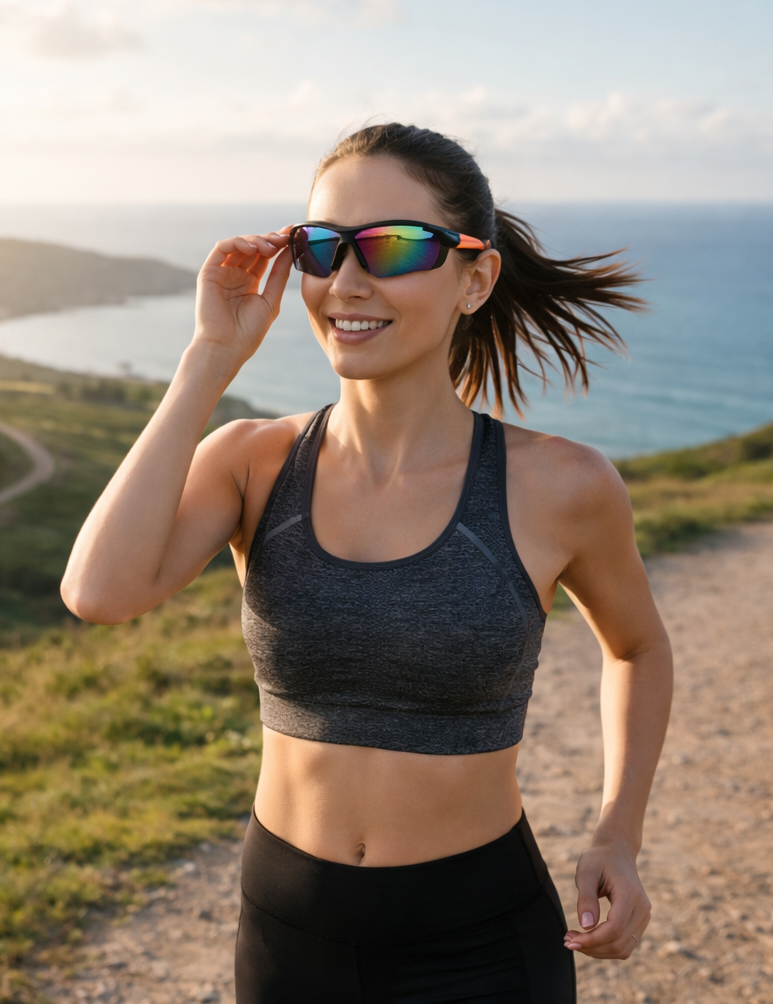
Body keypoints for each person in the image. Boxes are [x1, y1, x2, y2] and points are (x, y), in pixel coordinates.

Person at [61, 123, 673, 1003]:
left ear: (476, 276)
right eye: (321, 246)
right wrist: (210, 357)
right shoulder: (253, 462)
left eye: (391, 246)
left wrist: (619, 833)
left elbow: (638, 648)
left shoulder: (561, 484)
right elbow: (98, 591)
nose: (345, 281)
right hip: (288, 935)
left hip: (481, 940)